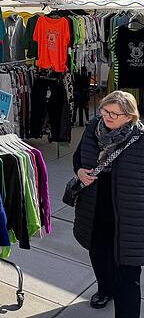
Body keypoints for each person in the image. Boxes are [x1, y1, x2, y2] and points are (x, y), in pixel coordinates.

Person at [72, 90, 144, 316]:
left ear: (130, 117)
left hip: (130, 219)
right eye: (105, 111)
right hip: (95, 211)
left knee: (128, 274)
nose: (108, 116)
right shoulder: (93, 129)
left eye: (115, 113)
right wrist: (80, 171)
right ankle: (105, 289)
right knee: (98, 255)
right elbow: (78, 158)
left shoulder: (140, 140)